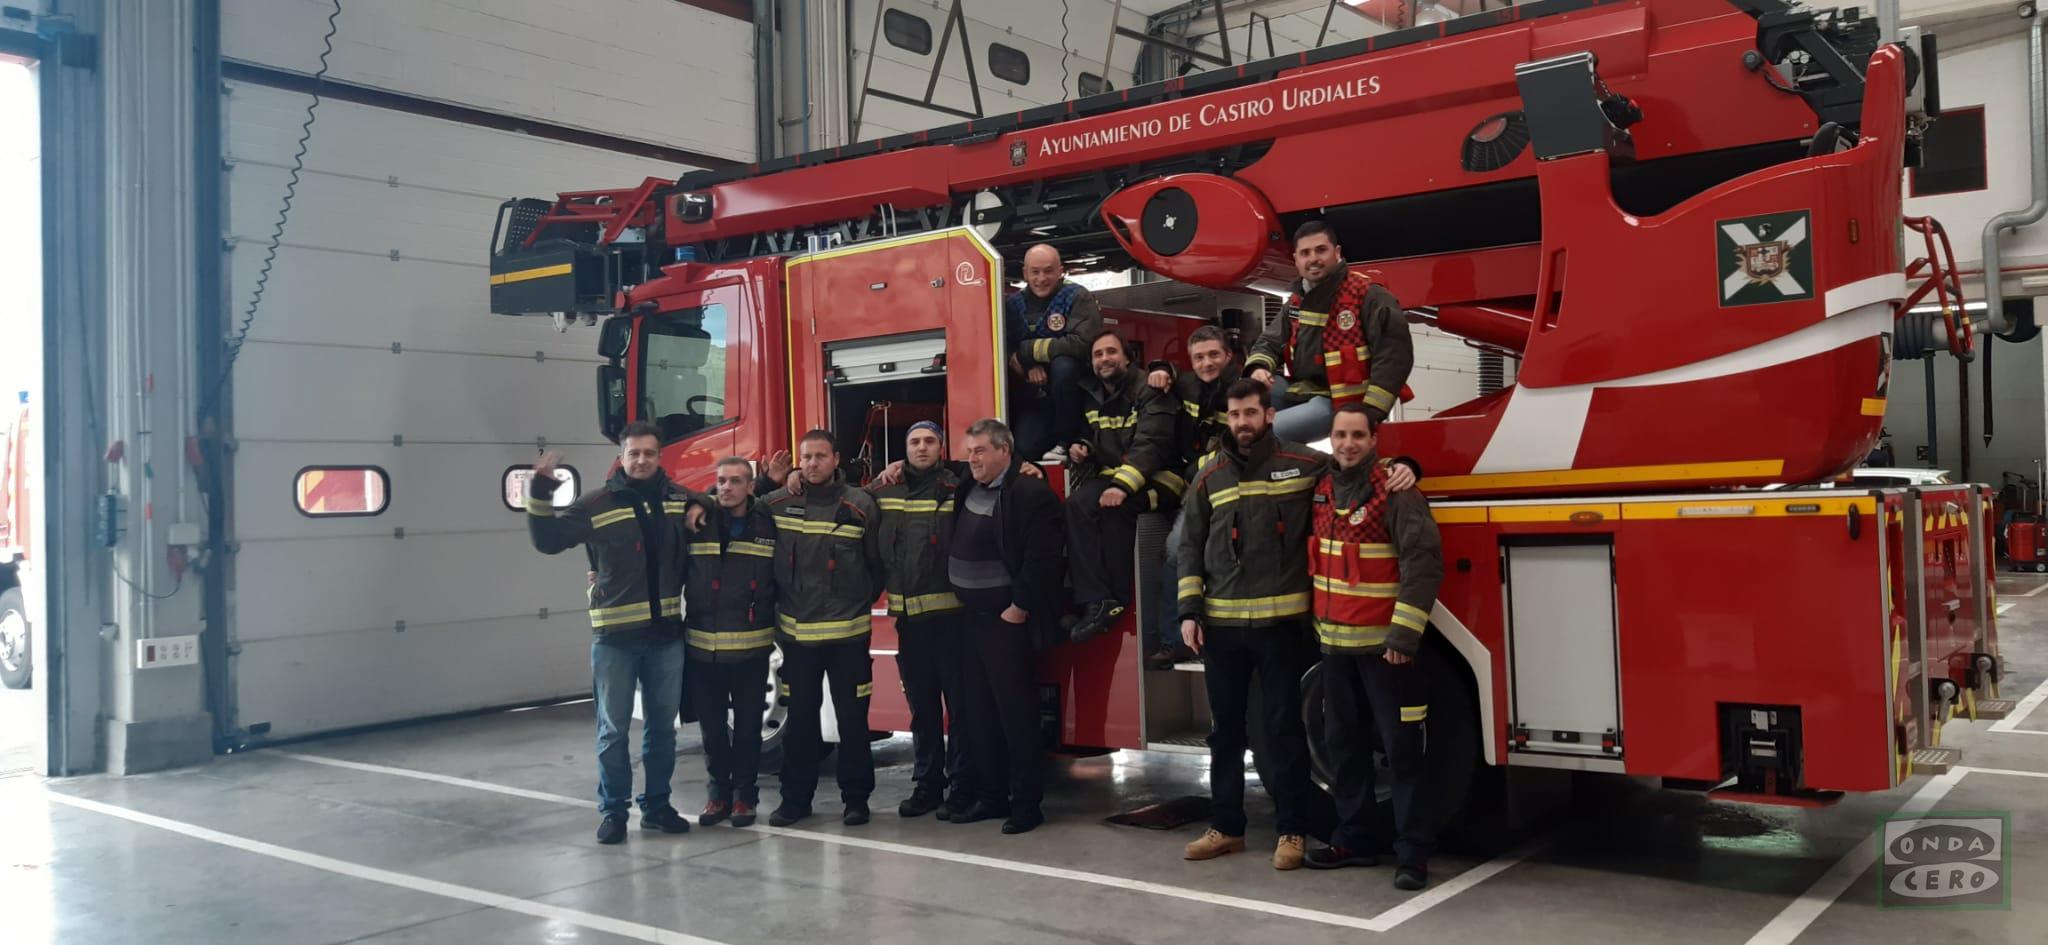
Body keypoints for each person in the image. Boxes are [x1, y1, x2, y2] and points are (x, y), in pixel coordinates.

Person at [1174, 378, 1326, 870]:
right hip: (1222, 630)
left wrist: (1404, 467)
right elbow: (1189, 549)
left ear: (1270, 416)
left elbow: (1352, 473)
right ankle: (1227, 828)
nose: (1242, 423)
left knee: (1282, 730)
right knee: (1225, 733)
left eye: (1250, 414)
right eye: (1235, 415)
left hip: (1283, 628)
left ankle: (1291, 831)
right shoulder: (1208, 477)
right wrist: (1189, 612)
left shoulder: (1304, 465)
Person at [525, 422, 697, 844]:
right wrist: (541, 491)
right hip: (615, 640)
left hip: (665, 638)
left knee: (662, 730)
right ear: (622, 457)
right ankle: (614, 812)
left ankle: (657, 807)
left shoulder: (679, 499)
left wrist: (703, 507)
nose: (641, 460)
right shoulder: (595, 504)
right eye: (633, 453)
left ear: (660, 458)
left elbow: (726, 503)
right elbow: (547, 540)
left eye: (649, 453)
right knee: (613, 731)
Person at [1304, 403, 1445, 891]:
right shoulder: (1320, 485)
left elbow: (1422, 563)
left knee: (1404, 754)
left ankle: (1413, 853)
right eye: (1340, 435)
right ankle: (1356, 839)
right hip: (1335, 651)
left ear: (1374, 439)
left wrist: (1404, 638)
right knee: (1344, 749)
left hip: (1388, 654)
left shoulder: (1398, 491)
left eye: (1357, 435)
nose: (1347, 444)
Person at [763, 430, 887, 827]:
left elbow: (877, 566)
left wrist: (853, 601)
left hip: (848, 638)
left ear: (836, 459)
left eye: (820, 456)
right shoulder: (778, 503)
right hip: (797, 640)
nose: (812, 464)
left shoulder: (861, 505)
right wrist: (770, 481)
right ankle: (795, 800)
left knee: (853, 721)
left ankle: (856, 801)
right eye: (806, 457)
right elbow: (735, 509)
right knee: (800, 722)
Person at [947, 418, 1065, 834]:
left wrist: (1018, 607)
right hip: (971, 622)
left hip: (1006, 622)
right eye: (969, 452)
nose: (972, 459)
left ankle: (1027, 805)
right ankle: (991, 797)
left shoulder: (1030, 493)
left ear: (1004, 451)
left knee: (1016, 717)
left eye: (980, 451)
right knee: (979, 715)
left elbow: (1044, 558)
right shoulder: (970, 484)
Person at [870, 421, 972, 819]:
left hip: (951, 621)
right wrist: (792, 476)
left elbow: (990, 469)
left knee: (961, 709)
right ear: (904, 449)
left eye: (930, 441)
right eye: (914, 442)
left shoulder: (958, 486)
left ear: (942, 449)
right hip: (909, 625)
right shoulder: (884, 489)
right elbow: (838, 498)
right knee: (922, 709)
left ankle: (962, 786)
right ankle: (927, 784)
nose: (922, 448)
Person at [1247, 221, 1415, 443]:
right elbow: (1269, 341)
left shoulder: (1369, 296)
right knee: (1246, 400)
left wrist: (1369, 414)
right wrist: (1258, 369)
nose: (1313, 258)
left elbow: (1395, 359)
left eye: (1321, 250)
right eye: (1305, 253)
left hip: (1342, 404)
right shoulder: (1296, 302)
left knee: (1271, 432)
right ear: (1296, 260)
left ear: (1337, 252)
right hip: (1302, 391)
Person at [683, 456, 780, 829]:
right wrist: (702, 500)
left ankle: (744, 798)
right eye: (721, 481)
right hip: (702, 650)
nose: (726, 487)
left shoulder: (767, 523)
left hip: (752, 651)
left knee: (747, 730)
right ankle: (716, 796)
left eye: (735, 481)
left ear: (750, 487)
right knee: (711, 730)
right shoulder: (698, 521)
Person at [1066, 329, 1180, 642]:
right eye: (1098, 354)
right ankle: (1097, 600)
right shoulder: (1091, 395)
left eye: (1111, 352)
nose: (1105, 359)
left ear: (1127, 358)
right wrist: (1080, 446)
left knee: (1116, 510)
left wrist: (1122, 487)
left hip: (1162, 478)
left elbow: (1151, 445)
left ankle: (1119, 599)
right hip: (1116, 476)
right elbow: (1089, 432)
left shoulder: (1150, 389)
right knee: (1077, 505)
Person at [1142, 326, 1240, 668]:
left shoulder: (1243, 390)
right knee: (1176, 553)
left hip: (1232, 490)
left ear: (1228, 356)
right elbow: (1168, 374)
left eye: (1214, 355)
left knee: (1186, 551)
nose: (1207, 363)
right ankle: (1176, 640)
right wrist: (1160, 369)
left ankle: (1194, 640)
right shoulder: (1186, 384)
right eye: (1199, 357)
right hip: (1195, 487)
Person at [1006, 244, 1104, 461]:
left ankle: (1066, 441)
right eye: (1035, 272)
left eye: (1048, 271)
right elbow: (1003, 347)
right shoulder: (1012, 305)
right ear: (1025, 273)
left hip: (1076, 394)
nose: (1041, 278)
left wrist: (1026, 352)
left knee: (1064, 365)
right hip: (1036, 395)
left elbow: (1082, 344)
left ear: (1061, 270)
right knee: (1026, 449)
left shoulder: (1079, 297)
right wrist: (1028, 366)